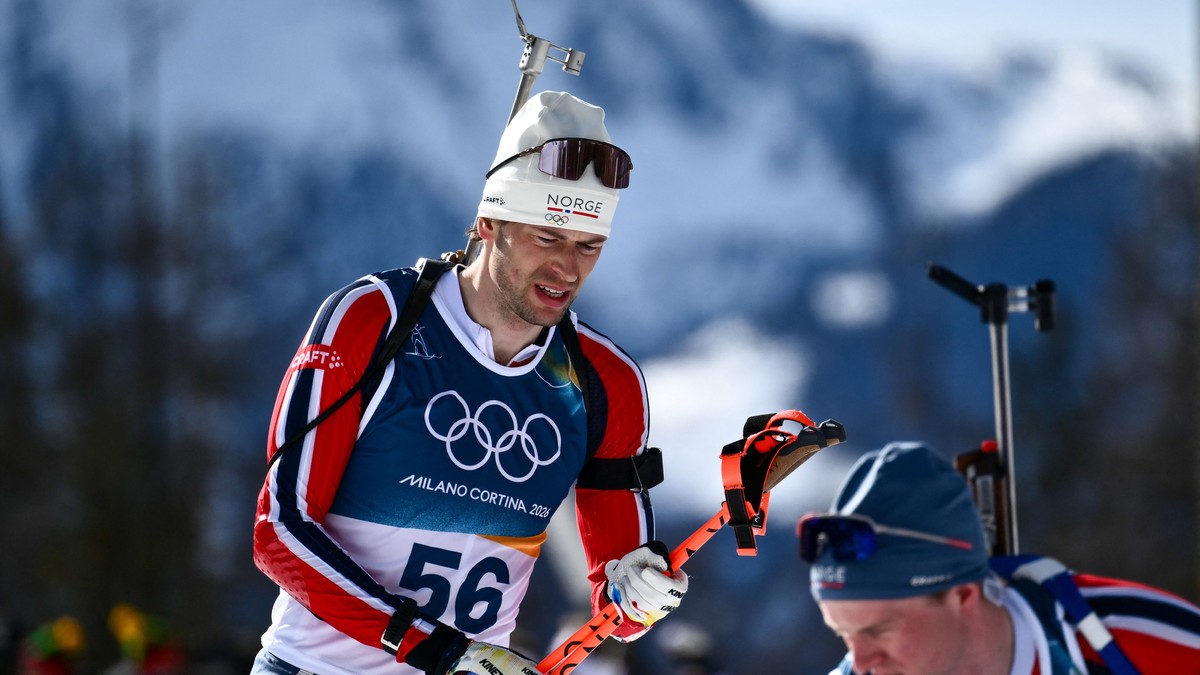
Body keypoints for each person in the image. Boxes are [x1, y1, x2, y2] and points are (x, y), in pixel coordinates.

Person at [250, 90, 688, 675]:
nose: (568, 268)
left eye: (589, 246)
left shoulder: (606, 382)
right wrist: (428, 645)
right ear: (488, 222)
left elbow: (619, 605)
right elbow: (279, 530)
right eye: (547, 238)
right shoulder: (375, 319)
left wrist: (640, 598)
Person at [798, 441, 1200, 675]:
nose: (861, 662)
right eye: (842, 634)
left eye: (878, 630)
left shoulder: (1126, 641)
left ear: (962, 594)